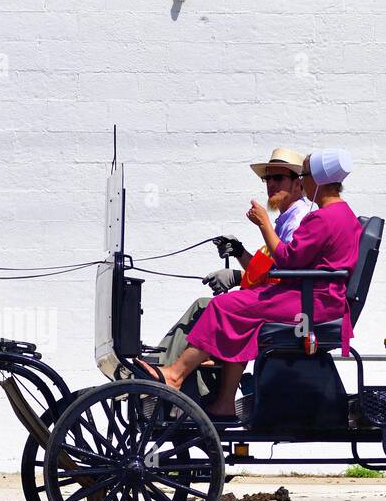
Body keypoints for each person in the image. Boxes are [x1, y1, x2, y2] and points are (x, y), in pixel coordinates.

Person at [153, 149, 362, 417]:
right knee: (241, 312)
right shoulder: (344, 215)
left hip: (312, 303)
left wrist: (264, 224)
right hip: (317, 298)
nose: (303, 181)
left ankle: (175, 373)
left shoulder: (322, 218)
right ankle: (226, 402)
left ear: (317, 180)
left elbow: (287, 260)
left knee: (225, 305)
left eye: (304, 175)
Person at [152, 148, 315, 386]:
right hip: (276, 296)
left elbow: (284, 270)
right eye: (267, 178)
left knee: (218, 307)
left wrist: (239, 272)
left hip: (289, 304)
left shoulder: (298, 219)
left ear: (298, 184)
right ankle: (165, 362)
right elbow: (266, 270)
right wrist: (239, 252)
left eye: (278, 178)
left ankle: (172, 372)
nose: (271, 184)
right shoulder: (286, 219)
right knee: (202, 305)